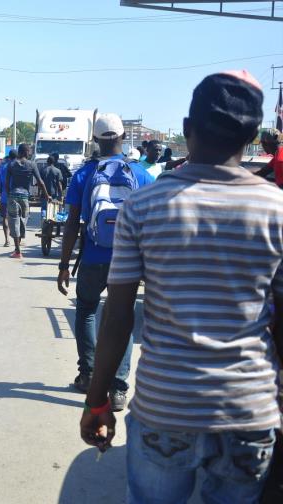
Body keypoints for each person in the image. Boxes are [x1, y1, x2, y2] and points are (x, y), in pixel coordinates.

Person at [80, 71, 282, 504]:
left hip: (165, 408)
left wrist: (97, 401)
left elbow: (118, 317)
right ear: (251, 137)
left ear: (188, 130)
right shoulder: (277, 209)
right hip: (250, 411)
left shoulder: (144, 206)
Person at [56, 113, 155, 411]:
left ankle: (87, 374)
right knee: (121, 317)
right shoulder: (142, 175)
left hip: (93, 256)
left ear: (95, 140)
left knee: (86, 310)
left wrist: (63, 264)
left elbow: (72, 223)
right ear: (124, 137)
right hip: (128, 260)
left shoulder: (84, 175)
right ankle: (118, 388)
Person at [5, 143, 50, 259]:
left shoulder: (11, 164)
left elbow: (6, 183)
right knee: (22, 221)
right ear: (26, 152)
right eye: (29, 151)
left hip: (13, 195)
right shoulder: (32, 165)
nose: (30, 153)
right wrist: (47, 195)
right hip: (25, 197)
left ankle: (17, 250)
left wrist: (9, 194)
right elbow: (41, 182)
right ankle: (17, 248)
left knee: (14, 220)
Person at [0, 150, 16, 247]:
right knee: (17, 217)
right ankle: (18, 240)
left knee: (5, 218)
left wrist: (1, 192)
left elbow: (0, 183)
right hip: (17, 196)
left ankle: (7, 240)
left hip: (5, 196)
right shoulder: (18, 166)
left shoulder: (3, 167)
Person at [40, 154, 65, 219]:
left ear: (47, 162)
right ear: (54, 162)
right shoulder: (57, 171)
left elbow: (40, 183)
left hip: (44, 194)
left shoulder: (43, 170)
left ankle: (43, 223)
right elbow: (59, 184)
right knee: (53, 209)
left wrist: (38, 192)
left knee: (44, 208)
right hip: (54, 194)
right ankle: (50, 223)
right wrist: (61, 194)